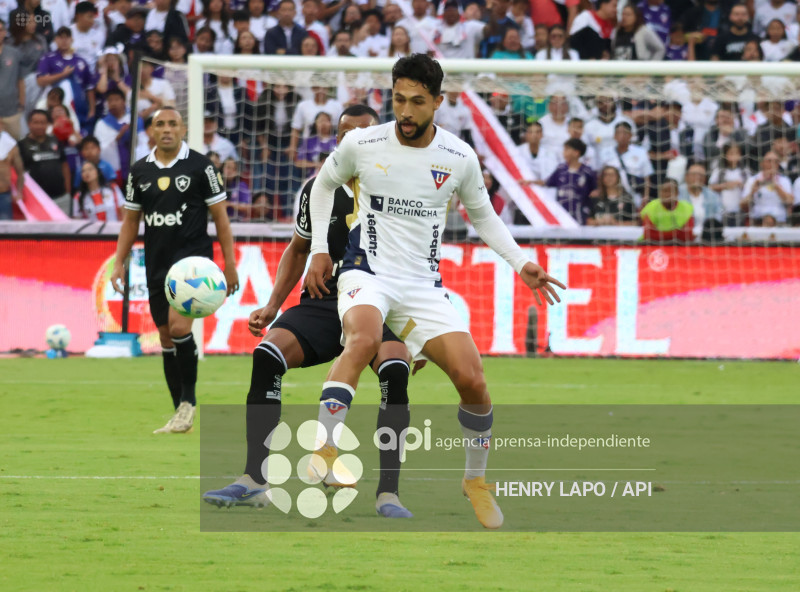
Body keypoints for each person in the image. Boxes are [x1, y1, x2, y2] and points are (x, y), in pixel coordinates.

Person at [304, 55, 565, 530]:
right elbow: (323, 188)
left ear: (438, 103)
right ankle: (324, 446)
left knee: (473, 380)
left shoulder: (458, 156)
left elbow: (483, 216)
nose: (405, 111)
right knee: (362, 339)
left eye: (417, 102)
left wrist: (521, 262)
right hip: (367, 270)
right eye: (399, 99)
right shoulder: (363, 143)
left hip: (422, 285)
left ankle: (475, 482)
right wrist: (320, 249)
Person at [203, 105, 418, 518]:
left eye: (363, 133)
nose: (353, 140)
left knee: (395, 370)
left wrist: (415, 333)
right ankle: (254, 480)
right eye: (344, 134)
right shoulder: (317, 188)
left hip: (381, 304)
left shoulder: (403, 192)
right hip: (325, 301)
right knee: (267, 355)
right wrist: (272, 304)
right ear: (336, 142)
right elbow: (298, 250)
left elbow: (419, 267)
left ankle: (388, 494)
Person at [111, 107, 239, 434]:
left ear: (183, 129)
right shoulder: (139, 171)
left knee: (179, 327)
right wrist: (118, 263)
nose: (166, 129)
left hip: (193, 263)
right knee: (165, 335)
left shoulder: (201, 166)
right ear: (151, 131)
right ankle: (179, 412)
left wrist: (230, 265)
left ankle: (189, 402)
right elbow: (130, 222)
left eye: (172, 124)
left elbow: (221, 219)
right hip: (157, 263)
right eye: (160, 124)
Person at [17, 109, 71, 214]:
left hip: (61, 197)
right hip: (36, 200)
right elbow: (19, 172)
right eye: (36, 122)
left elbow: (64, 166)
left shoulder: (55, 140)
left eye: (42, 123)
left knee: (63, 230)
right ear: (29, 124)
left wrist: (68, 191)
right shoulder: (22, 145)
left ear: (48, 124)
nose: (39, 126)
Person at [641, 178, 694, 242]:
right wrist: (676, 233)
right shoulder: (651, 207)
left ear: (677, 193)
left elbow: (688, 235)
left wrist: (662, 234)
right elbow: (648, 235)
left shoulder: (686, 207)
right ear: (659, 192)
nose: (668, 194)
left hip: (680, 247)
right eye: (665, 191)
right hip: (654, 246)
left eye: (671, 191)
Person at [0, 18, 25, 141]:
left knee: (16, 144)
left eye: (0, 30)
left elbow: (20, 80)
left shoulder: (14, 53)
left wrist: (22, 103)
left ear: (5, 32)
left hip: (12, 111)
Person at [0, 120, 25, 219]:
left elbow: (20, 172)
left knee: (5, 231)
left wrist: (19, 192)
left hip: (3, 195)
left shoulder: (10, 145)